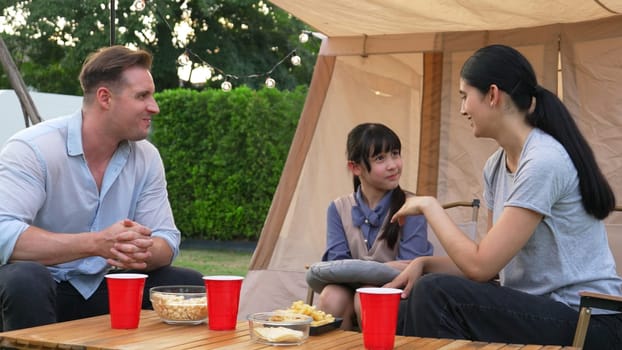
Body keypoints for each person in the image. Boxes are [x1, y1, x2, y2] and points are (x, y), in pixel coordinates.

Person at [384, 44, 622, 349]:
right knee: (409, 301)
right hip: (541, 311)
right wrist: (423, 263)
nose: (462, 109)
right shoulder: (496, 166)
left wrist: (431, 206)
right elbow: (492, 264)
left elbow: (480, 266)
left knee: (436, 295)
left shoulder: (543, 160)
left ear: (493, 95)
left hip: (591, 321)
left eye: (464, 96)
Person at [0, 45, 204, 331]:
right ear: (105, 98)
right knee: (25, 279)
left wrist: (139, 249)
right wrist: (96, 244)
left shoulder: (146, 156)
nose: (154, 107)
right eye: (142, 96)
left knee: (187, 285)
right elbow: (4, 233)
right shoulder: (33, 149)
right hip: (44, 289)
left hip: (108, 286)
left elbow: (167, 240)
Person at [317, 123, 433, 330]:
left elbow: (411, 266)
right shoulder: (337, 208)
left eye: (395, 154)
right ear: (355, 167)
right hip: (351, 288)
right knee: (331, 296)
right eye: (380, 158)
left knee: (369, 297)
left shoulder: (413, 206)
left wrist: (363, 275)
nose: (393, 165)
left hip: (400, 292)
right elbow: (337, 264)